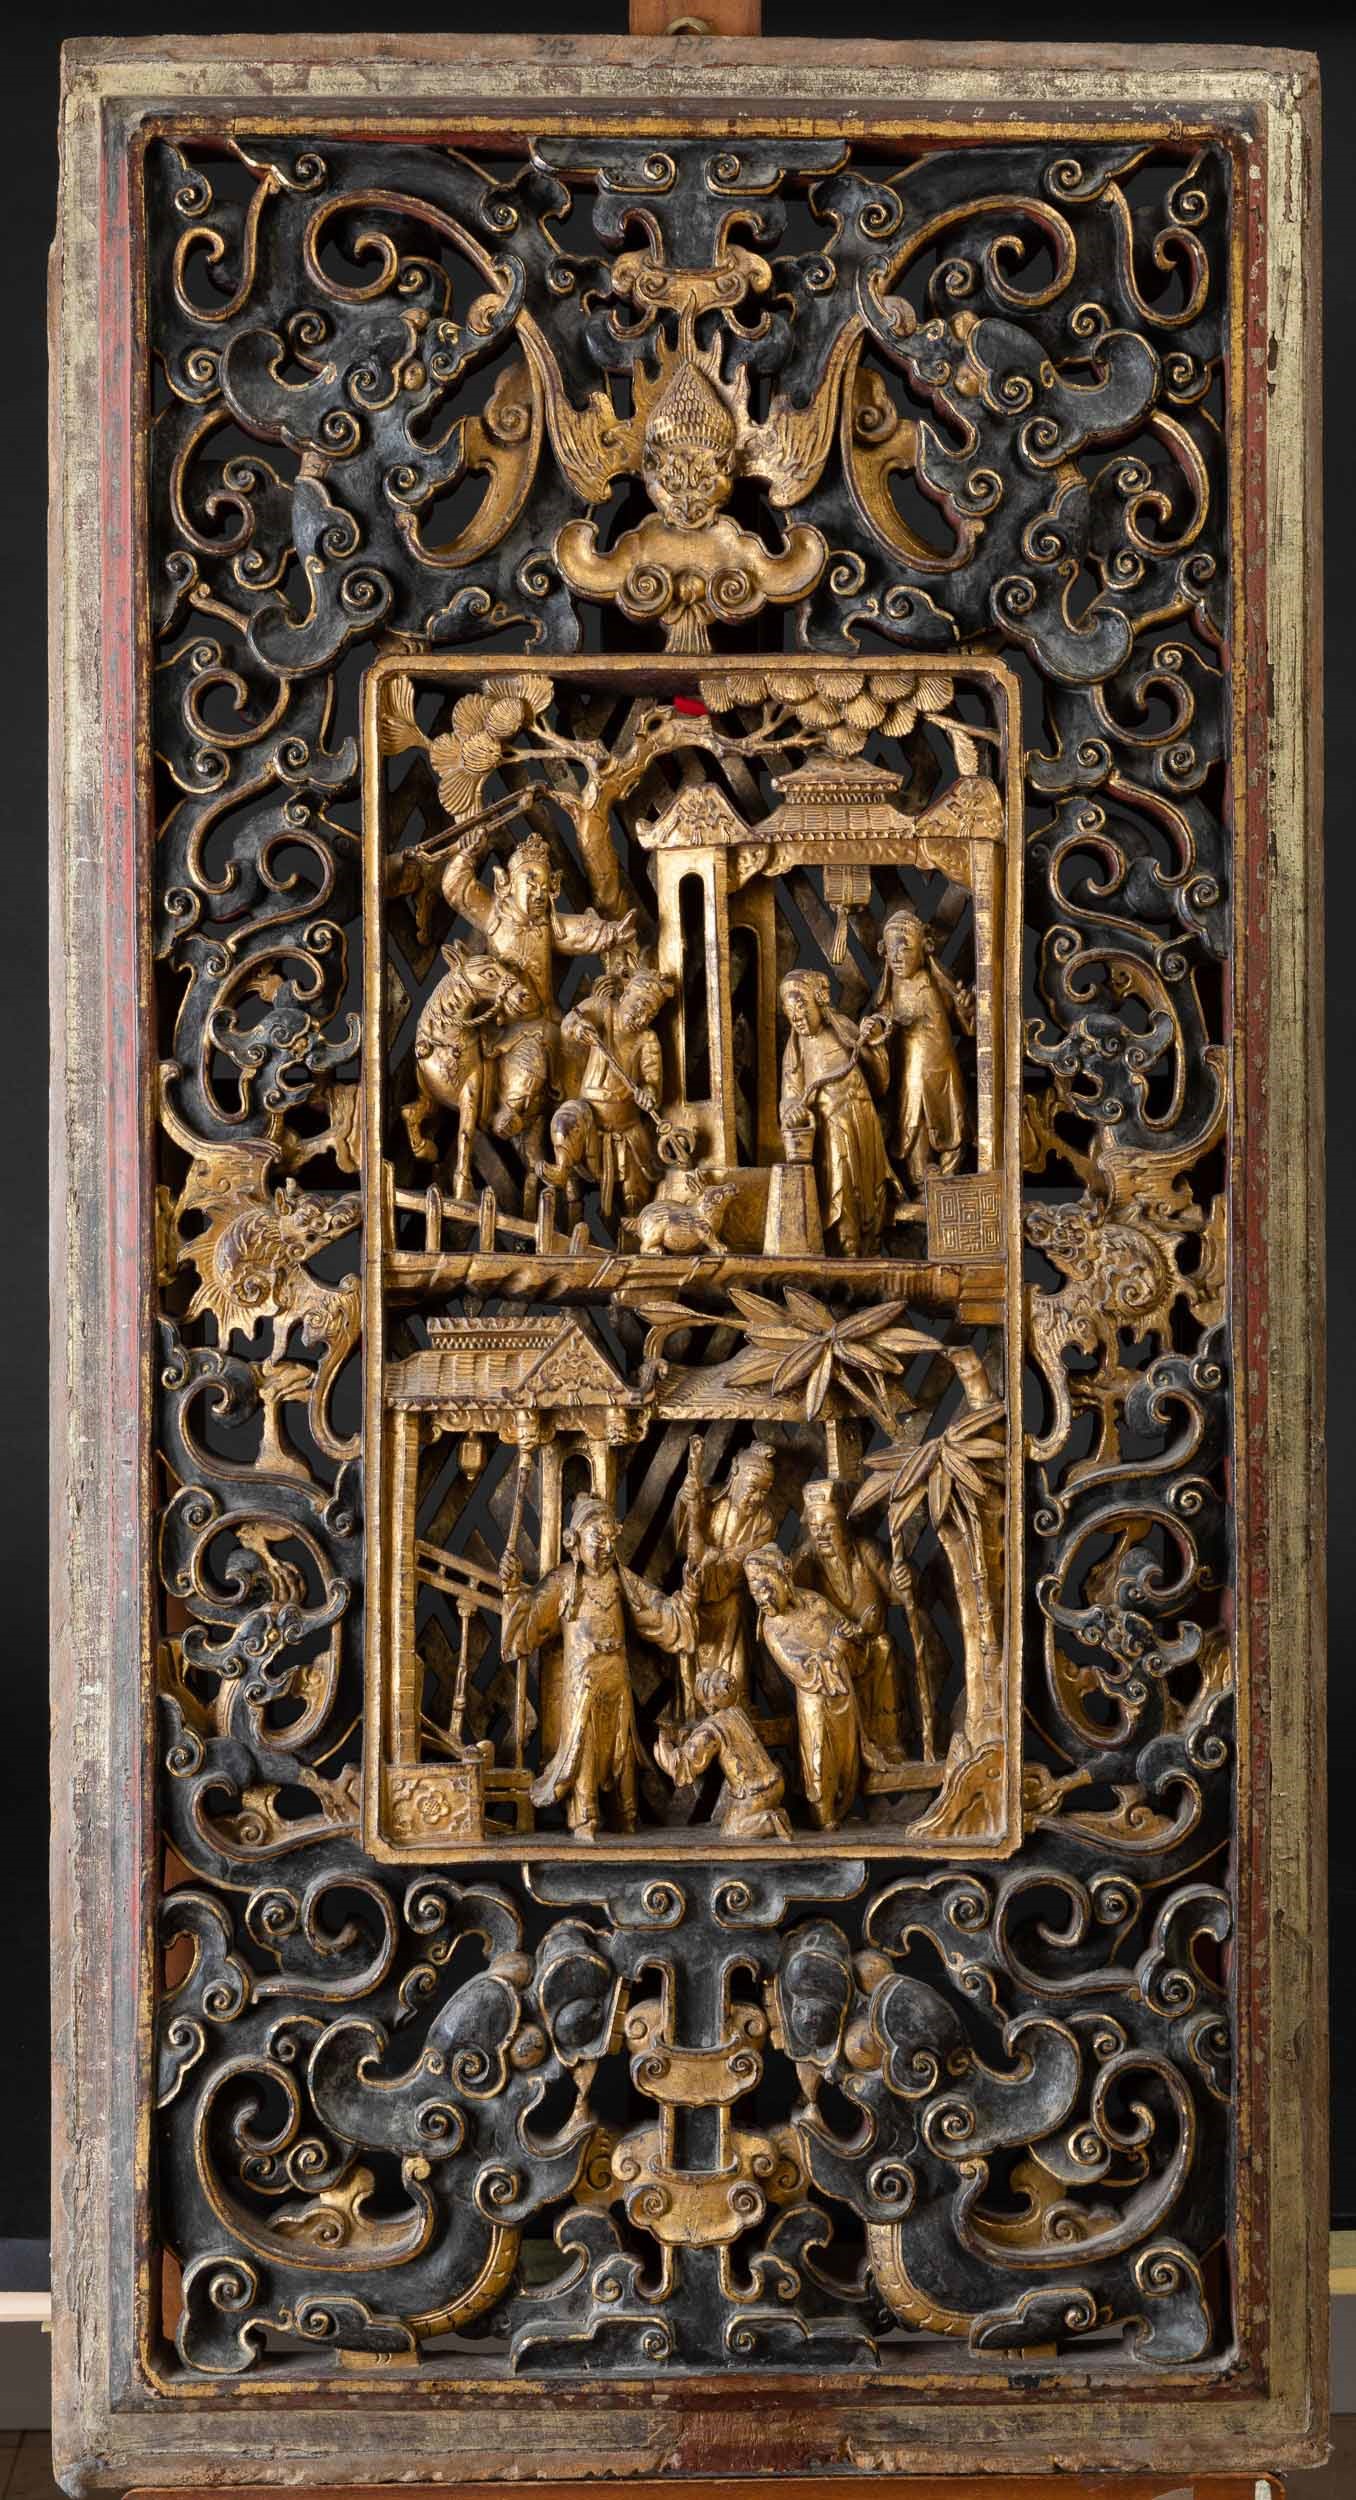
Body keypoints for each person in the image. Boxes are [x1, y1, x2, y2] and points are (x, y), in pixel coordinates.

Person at [501, 1494, 693, 1838]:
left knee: (622, 1749)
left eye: (610, 1539)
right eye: (597, 1539)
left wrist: (687, 1598)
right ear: (573, 1541)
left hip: (617, 1681)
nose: (606, 1547)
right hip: (583, 1685)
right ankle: (584, 1818)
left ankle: (626, 1814)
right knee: (583, 1748)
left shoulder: (620, 1579)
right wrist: (513, 1590)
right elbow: (530, 1622)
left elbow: (653, 1609)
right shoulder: (563, 1582)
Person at [440, 828, 636, 1163]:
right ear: (505, 883)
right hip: (504, 1026)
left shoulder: (548, 925)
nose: (538, 892)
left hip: (542, 1021)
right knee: (525, 1071)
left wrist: (613, 933)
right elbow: (456, 889)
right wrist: (467, 854)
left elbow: (579, 932)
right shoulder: (492, 915)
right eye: (530, 882)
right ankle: (511, 1114)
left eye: (545, 886)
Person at [743, 1545, 879, 1830]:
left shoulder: (815, 1602)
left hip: (842, 1692)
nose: (762, 1599)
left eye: (766, 1587)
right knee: (819, 1758)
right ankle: (823, 1816)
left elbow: (844, 1628)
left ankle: (842, 1808)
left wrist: (858, 1632)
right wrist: (836, 1647)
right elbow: (802, 1671)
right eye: (755, 1593)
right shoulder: (773, 1629)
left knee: (848, 1757)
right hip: (815, 1703)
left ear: (785, 1573)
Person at [537, 965, 673, 1223]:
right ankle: (562, 1168)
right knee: (565, 1122)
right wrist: (578, 1028)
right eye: (641, 1004)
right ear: (626, 995)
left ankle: (634, 1227)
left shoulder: (648, 1040)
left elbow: (653, 1080)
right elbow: (570, 1022)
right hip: (588, 1113)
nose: (643, 1015)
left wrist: (648, 1093)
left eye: (651, 1012)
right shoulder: (603, 1008)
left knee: (636, 1193)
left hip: (627, 1126)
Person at [777, 970, 891, 1257]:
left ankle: (872, 1245)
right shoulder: (796, 1048)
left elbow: (880, 1081)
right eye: (791, 1013)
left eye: (802, 1008)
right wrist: (791, 1110)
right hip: (832, 1129)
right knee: (842, 1189)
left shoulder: (842, 1028)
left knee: (873, 1189)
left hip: (863, 1118)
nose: (798, 1019)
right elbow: (790, 1094)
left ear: (819, 1002)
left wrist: (873, 1042)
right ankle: (847, 1248)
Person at [791, 1479, 904, 1758]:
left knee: (884, 1647)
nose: (821, 1535)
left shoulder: (866, 1552)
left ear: (844, 1526)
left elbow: (898, 1594)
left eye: (828, 1526)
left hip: (870, 1645)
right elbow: (793, 1608)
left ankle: (888, 1742)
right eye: (814, 1527)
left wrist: (904, 1580)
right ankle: (847, 1750)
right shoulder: (806, 1561)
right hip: (833, 1650)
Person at [863, 907, 972, 1190]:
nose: (897, 957)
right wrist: (876, 1030)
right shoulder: (890, 990)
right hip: (909, 1076)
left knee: (954, 1125)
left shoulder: (938, 984)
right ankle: (922, 1186)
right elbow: (882, 1020)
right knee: (914, 1128)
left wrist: (966, 1009)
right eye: (891, 950)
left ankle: (947, 1183)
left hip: (943, 1071)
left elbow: (966, 1025)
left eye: (905, 948)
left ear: (924, 948)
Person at [674, 1440, 779, 1715]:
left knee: (736, 1647)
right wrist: (687, 1500)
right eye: (752, 1487)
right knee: (692, 1639)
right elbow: (686, 1545)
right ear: (735, 1473)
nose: (756, 1497)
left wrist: (711, 1557)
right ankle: (696, 1708)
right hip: (698, 1595)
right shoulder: (709, 1501)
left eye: (764, 1491)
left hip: (732, 1598)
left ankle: (736, 1704)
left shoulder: (764, 1521)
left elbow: (742, 1560)